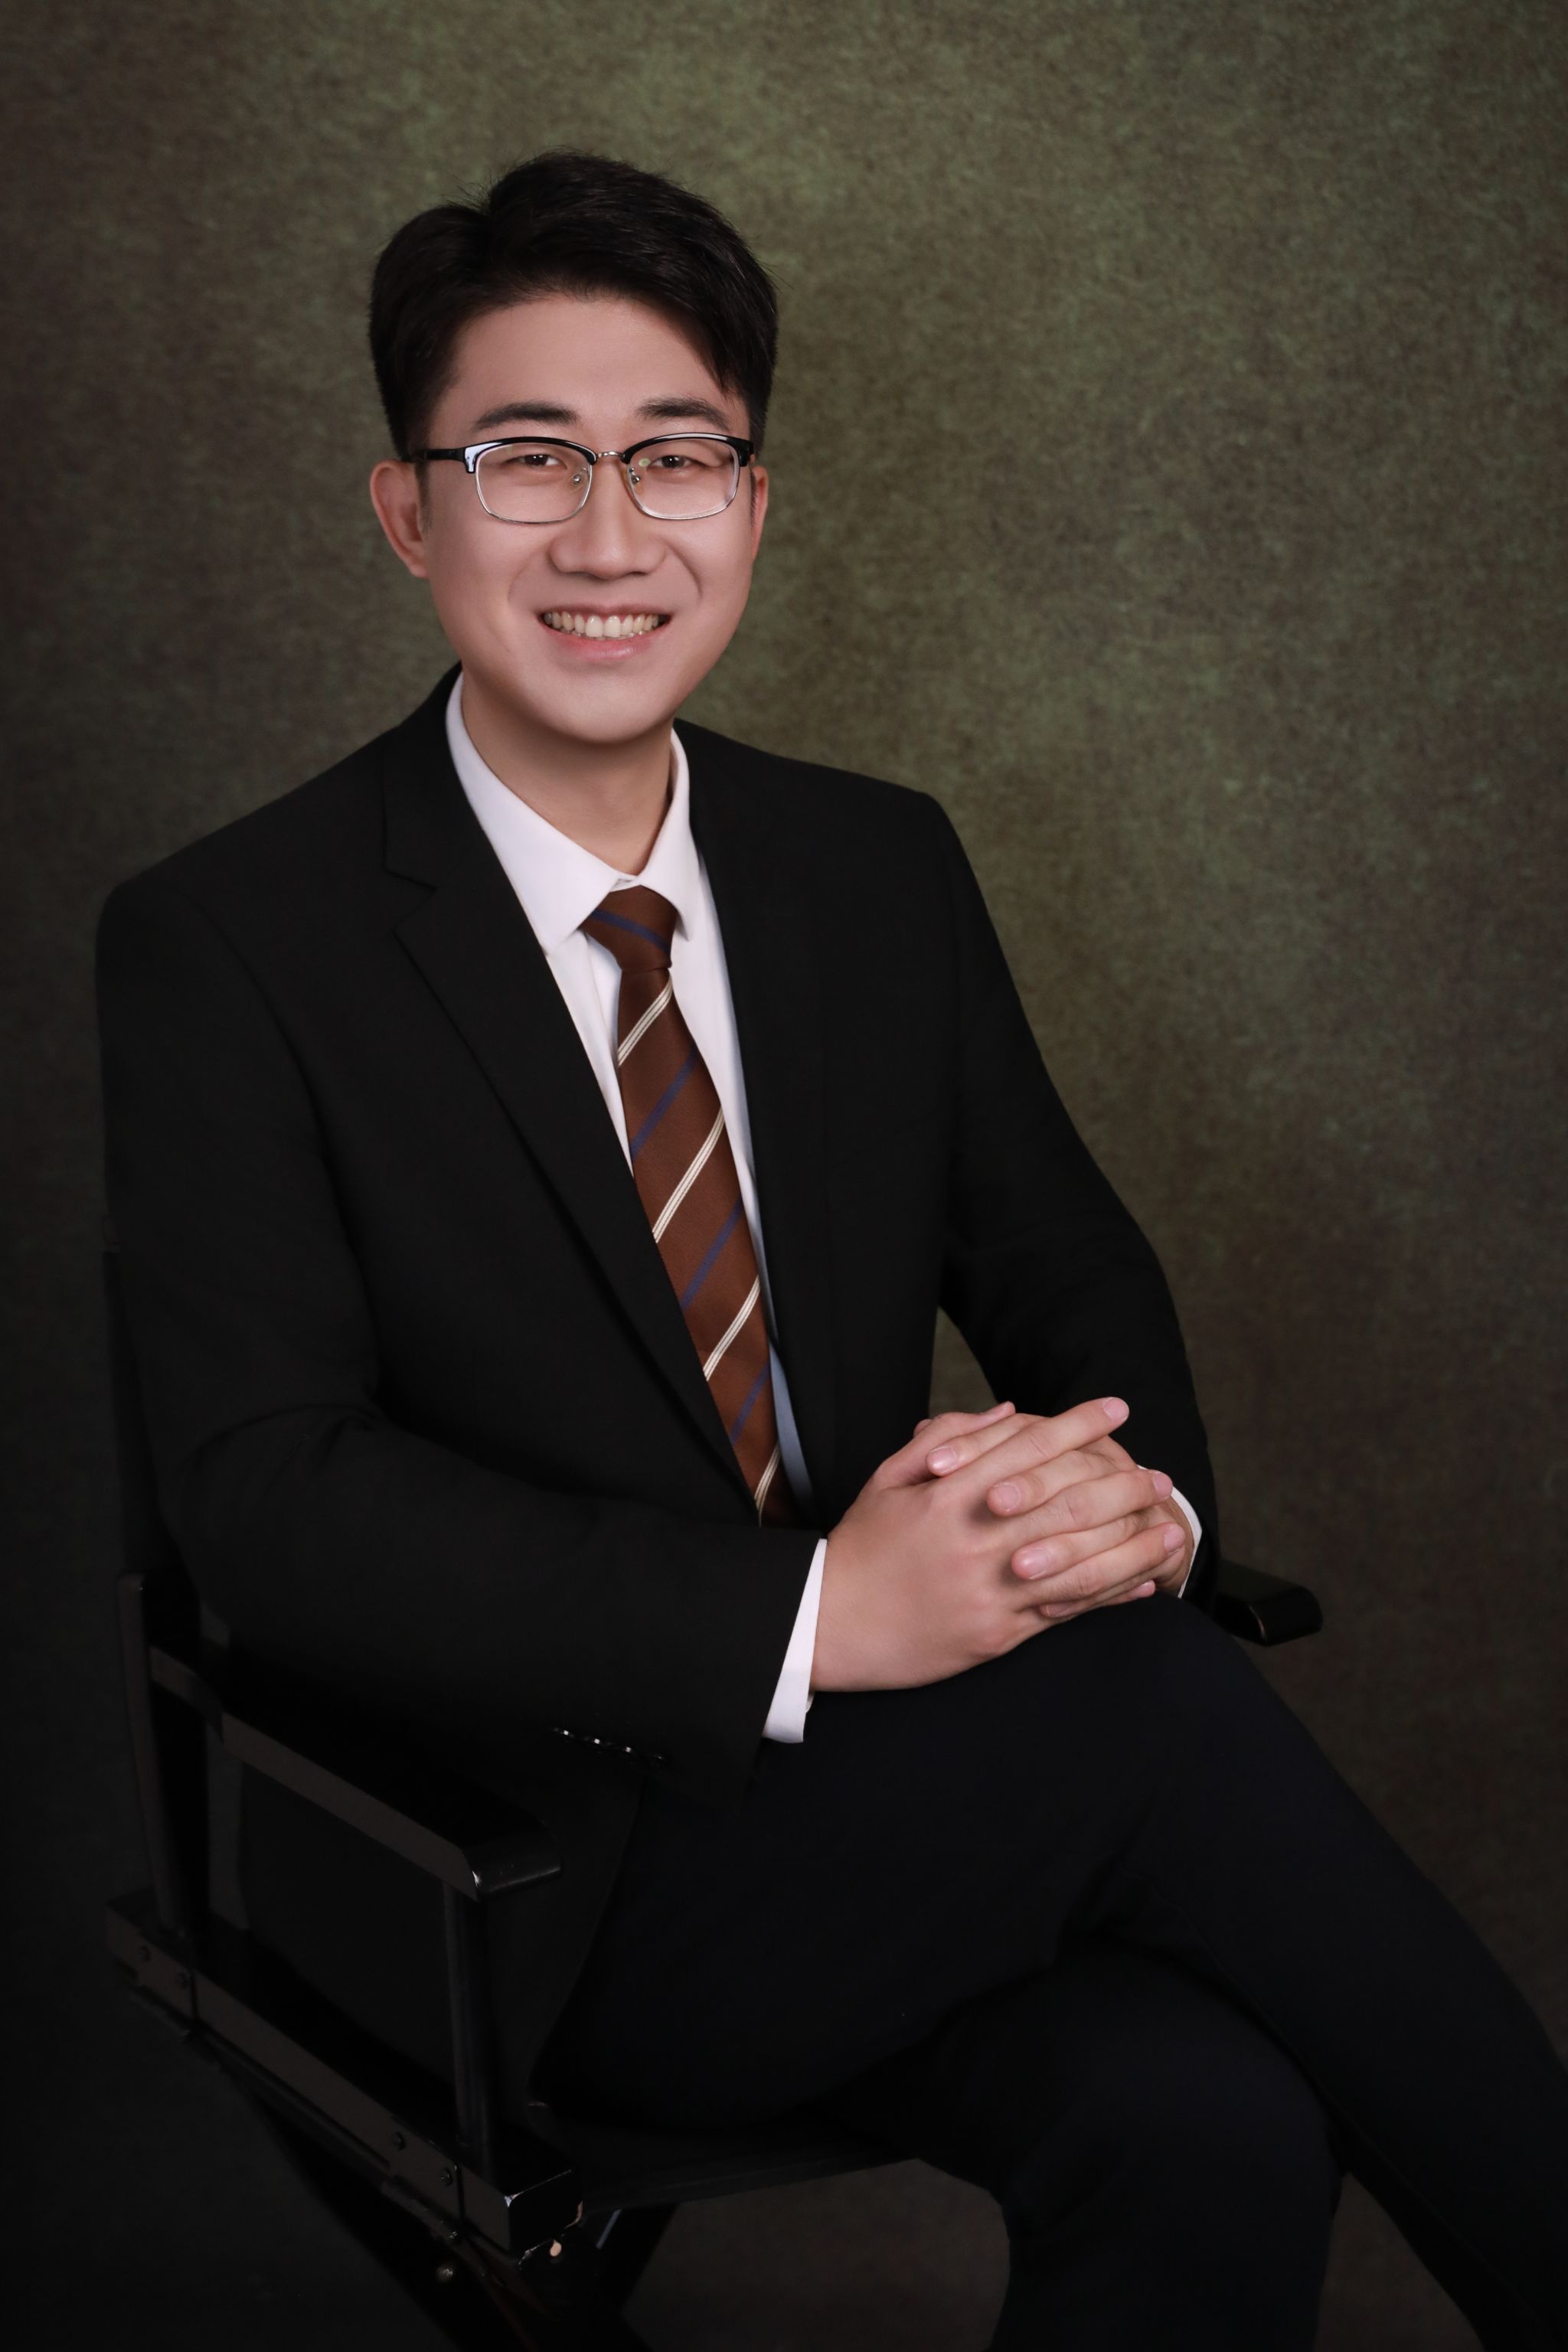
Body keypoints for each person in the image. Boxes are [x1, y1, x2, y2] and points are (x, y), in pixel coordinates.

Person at [96, 149, 1568, 2350]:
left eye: (676, 458)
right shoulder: (231, 941)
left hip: (906, 1816)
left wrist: (1132, 1510)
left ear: (755, 506)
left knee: (1211, 2118)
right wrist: (818, 1615)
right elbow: (268, 1499)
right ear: (409, 511)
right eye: (528, 459)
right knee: (1154, 1710)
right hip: (514, 1876)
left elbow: (1068, 1261)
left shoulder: (873, 868)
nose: (612, 538)